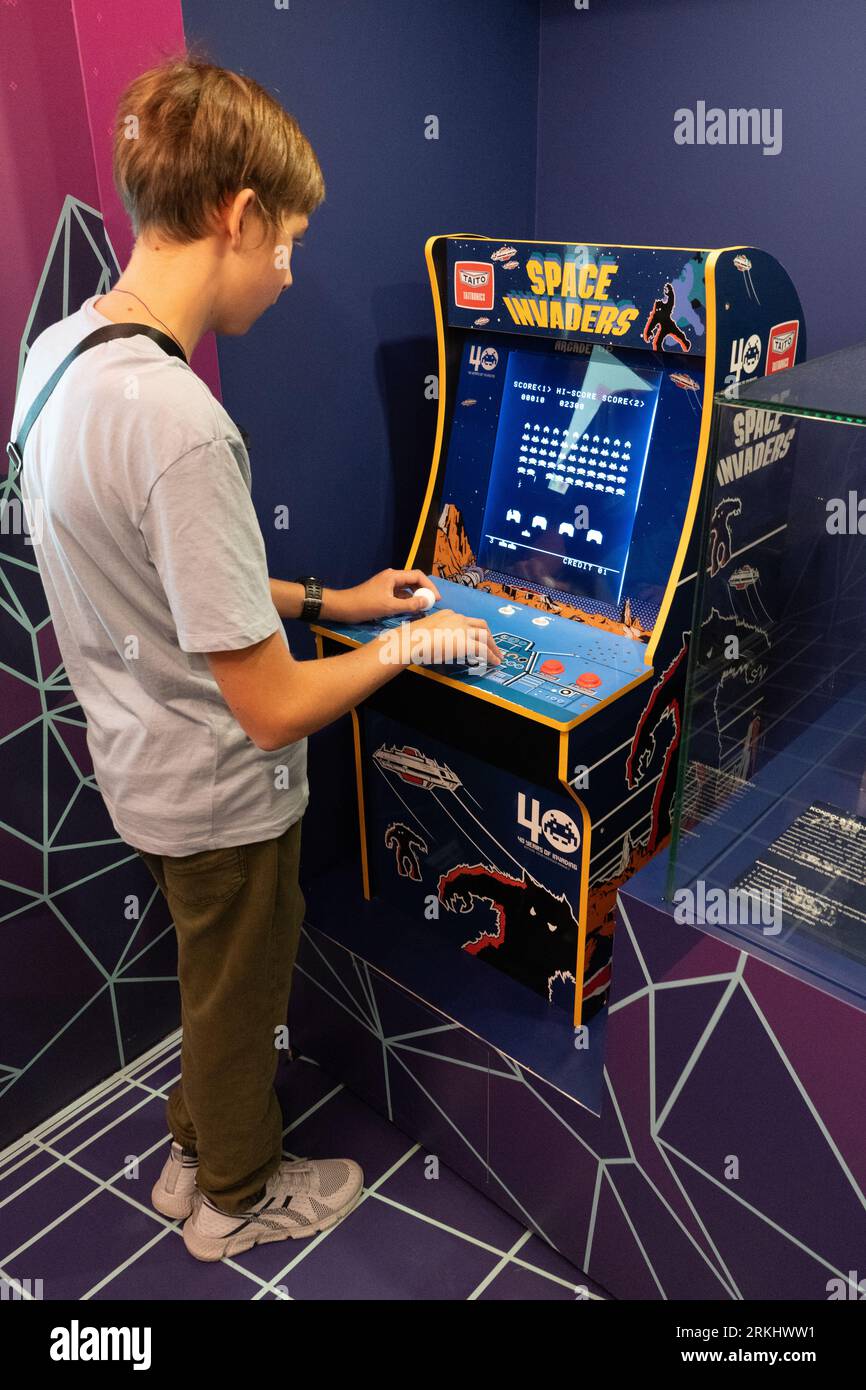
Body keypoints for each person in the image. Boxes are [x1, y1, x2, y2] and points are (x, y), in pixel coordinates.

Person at [10, 54, 501, 1263]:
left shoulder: (63, 360)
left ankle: (193, 1145)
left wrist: (330, 593)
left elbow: (176, 580)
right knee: (241, 992)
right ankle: (234, 1195)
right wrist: (413, 642)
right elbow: (275, 706)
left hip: (141, 768)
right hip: (221, 791)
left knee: (211, 984)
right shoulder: (181, 423)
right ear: (233, 217)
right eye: (282, 241)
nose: (287, 273)